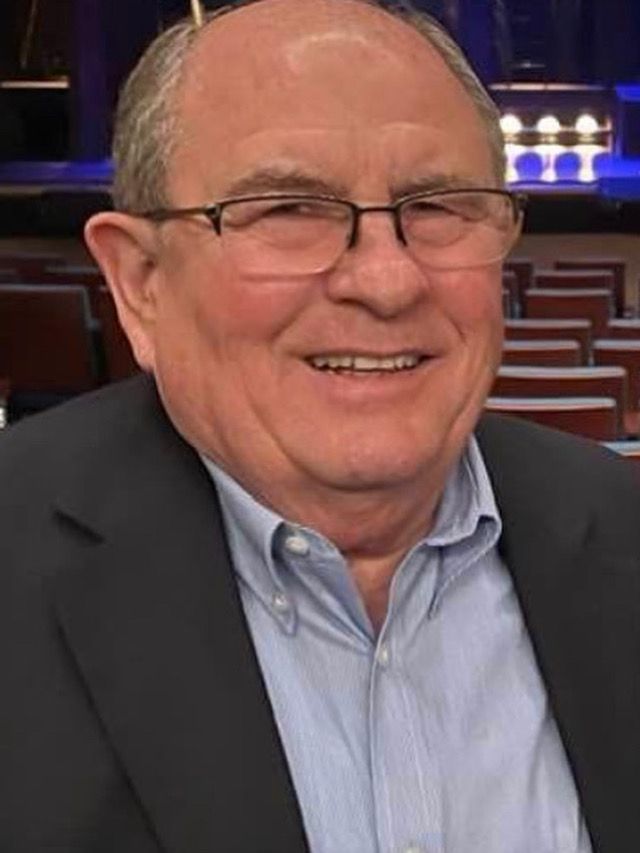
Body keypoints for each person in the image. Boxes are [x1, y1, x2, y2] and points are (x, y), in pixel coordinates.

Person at [1, 1, 639, 851]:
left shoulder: (623, 524)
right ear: (141, 281)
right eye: (288, 209)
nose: (386, 282)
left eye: (439, 204)